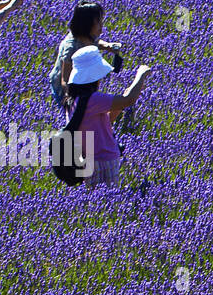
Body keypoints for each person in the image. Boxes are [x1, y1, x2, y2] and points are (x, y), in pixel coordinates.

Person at [64, 45, 150, 188]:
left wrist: (120, 103)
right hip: (104, 159)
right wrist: (141, 75)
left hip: (86, 161)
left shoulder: (72, 100)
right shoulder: (93, 100)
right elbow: (128, 100)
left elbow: (103, 122)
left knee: (94, 202)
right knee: (109, 198)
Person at [49, 2, 123, 115]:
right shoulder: (71, 47)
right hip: (66, 89)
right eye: (98, 22)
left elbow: (96, 41)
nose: (102, 25)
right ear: (87, 24)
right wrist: (75, 102)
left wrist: (108, 46)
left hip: (83, 82)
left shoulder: (88, 35)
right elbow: (65, 80)